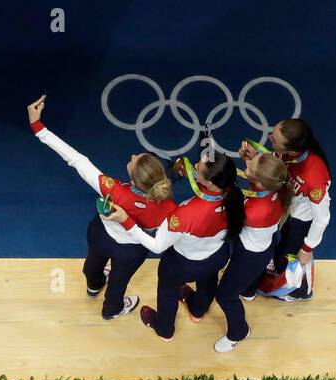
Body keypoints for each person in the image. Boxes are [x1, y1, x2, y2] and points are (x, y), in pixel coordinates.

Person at [27, 95, 175, 319]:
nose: (133, 155)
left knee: (92, 267)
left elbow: (77, 160)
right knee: (118, 283)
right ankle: (111, 310)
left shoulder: (113, 190)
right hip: (130, 251)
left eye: (134, 160)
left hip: (100, 236)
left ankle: (94, 285)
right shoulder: (169, 208)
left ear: (134, 180)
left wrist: (38, 127)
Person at [102, 150, 244, 341]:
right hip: (217, 256)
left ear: (210, 181)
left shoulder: (185, 213)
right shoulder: (234, 194)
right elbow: (208, 167)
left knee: (168, 293)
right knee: (208, 282)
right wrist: (187, 170)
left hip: (183, 265)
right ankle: (197, 310)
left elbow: (157, 245)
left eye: (198, 166)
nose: (195, 165)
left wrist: (127, 221)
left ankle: (164, 329)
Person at [239, 118, 331, 301]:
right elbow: (275, 171)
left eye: (274, 139)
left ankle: (302, 291)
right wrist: (255, 159)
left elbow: (322, 219)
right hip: (287, 211)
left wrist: (306, 248)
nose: (269, 137)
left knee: (291, 255)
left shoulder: (314, 178)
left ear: (290, 149)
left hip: (301, 222)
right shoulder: (288, 155)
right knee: (280, 253)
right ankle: (279, 271)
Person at [209, 152, 291, 351]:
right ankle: (248, 291)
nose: (245, 167)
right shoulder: (275, 187)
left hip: (249, 255)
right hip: (263, 245)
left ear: (260, 183)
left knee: (225, 296)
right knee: (249, 278)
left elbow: (227, 218)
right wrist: (253, 162)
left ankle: (239, 332)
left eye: (249, 168)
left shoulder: (254, 211)